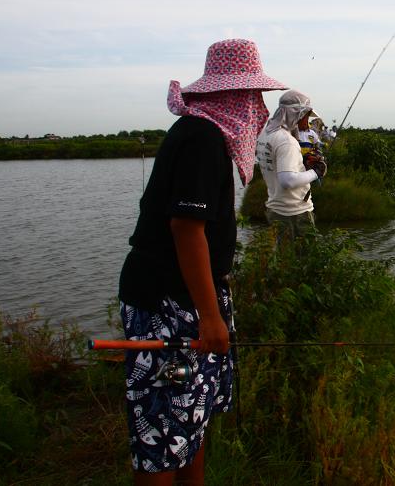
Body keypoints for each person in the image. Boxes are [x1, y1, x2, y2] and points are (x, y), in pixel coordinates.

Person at [117, 39, 286, 485]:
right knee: (161, 433)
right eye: (253, 95)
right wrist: (210, 318)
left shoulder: (203, 134)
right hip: (167, 303)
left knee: (191, 419)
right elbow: (186, 230)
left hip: (189, 298)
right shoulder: (201, 139)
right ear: (231, 95)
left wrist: (212, 310)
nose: (258, 106)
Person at [256, 90, 327, 240]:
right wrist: (316, 172)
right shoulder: (286, 141)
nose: (307, 121)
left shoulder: (266, 134)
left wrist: (302, 161)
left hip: (275, 209)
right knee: (303, 262)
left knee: (283, 260)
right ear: (297, 114)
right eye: (306, 115)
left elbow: (278, 165)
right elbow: (288, 180)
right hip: (294, 213)